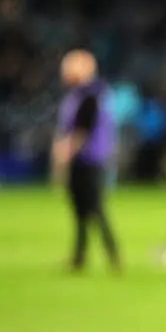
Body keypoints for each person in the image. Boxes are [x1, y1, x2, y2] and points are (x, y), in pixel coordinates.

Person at [52, 49, 121, 273]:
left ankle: (113, 254)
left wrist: (65, 153)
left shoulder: (90, 94)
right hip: (85, 159)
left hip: (90, 159)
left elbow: (81, 130)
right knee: (81, 210)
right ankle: (80, 257)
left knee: (94, 208)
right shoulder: (83, 94)